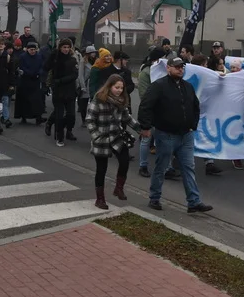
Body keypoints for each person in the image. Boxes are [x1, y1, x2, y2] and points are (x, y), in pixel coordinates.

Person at [138, 57, 212, 214]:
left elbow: (195, 107)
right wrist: (145, 127)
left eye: (182, 67)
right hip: (166, 134)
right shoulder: (158, 86)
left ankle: (194, 202)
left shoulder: (188, 87)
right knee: (161, 167)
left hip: (186, 135)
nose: (180, 69)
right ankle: (154, 198)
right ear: (168, 68)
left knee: (188, 168)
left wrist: (193, 125)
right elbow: (146, 105)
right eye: (177, 67)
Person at [88, 74, 139, 210]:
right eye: (117, 87)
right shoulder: (99, 99)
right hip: (102, 138)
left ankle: (119, 188)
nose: (119, 90)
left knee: (125, 161)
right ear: (109, 86)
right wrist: (95, 136)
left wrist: (140, 129)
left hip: (117, 136)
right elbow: (90, 120)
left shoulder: (121, 100)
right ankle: (100, 199)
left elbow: (127, 118)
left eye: (121, 88)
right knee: (101, 169)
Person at [137, 48, 165, 177]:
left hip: (163, 112)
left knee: (163, 140)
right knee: (146, 139)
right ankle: (143, 166)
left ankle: (166, 168)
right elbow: (144, 95)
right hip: (151, 111)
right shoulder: (146, 73)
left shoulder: (166, 72)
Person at [47, 38, 80, 146]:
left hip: (70, 91)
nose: (66, 49)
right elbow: (45, 67)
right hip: (58, 92)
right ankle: (59, 136)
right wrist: (51, 57)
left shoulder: (73, 60)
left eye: (68, 47)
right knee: (59, 116)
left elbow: (75, 75)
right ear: (60, 48)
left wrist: (62, 80)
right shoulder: (56, 59)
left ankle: (67, 130)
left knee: (71, 116)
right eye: (64, 47)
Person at [15, 42, 46, 124]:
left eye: (34, 50)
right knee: (24, 100)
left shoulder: (39, 56)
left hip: (35, 81)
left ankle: (38, 117)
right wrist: (30, 73)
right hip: (25, 81)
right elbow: (22, 67)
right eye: (31, 49)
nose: (33, 51)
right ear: (27, 49)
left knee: (37, 100)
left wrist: (38, 73)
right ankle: (24, 117)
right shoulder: (23, 57)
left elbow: (42, 66)